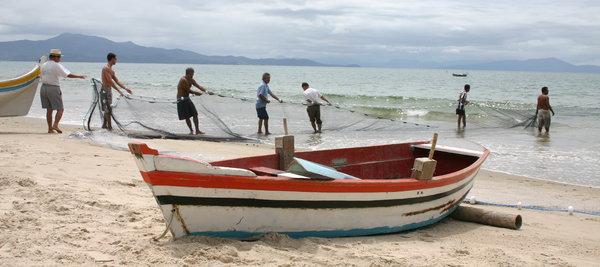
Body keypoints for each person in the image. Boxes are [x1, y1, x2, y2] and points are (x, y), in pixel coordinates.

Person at [39, 49, 86, 133]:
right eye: (59, 57)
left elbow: (40, 75)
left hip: (43, 88)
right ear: (56, 57)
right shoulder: (56, 65)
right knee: (60, 109)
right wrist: (79, 76)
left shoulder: (44, 65)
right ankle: (55, 125)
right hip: (53, 88)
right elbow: (67, 75)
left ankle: (50, 129)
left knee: (49, 110)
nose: (60, 59)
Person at [101, 52, 133, 131]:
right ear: (112, 59)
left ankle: (105, 126)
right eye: (115, 59)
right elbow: (110, 82)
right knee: (108, 109)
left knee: (108, 109)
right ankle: (109, 127)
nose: (116, 60)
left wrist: (125, 88)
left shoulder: (111, 70)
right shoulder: (105, 68)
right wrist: (119, 91)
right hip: (105, 91)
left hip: (108, 91)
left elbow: (117, 81)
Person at [177, 67, 213, 134]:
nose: (193, 75)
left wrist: (207, 91)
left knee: (195, 114)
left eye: (193, 74)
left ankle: (197, 130)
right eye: (191, 74)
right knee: (187, 116)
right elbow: (189, 90)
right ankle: (191, 131)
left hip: (187, 98)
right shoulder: (183, 80)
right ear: (187, 73)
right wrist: (197, 93)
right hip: (181, 99)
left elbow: (198, 86)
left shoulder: (191, 80)